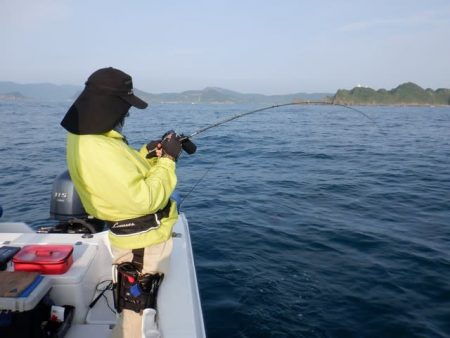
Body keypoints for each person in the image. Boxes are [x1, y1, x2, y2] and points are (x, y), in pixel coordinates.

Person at [60, 67, 182, 338]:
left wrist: (147, 154)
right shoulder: (99, 147)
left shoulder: (88, 136)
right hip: (141, 245)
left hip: (132, 240)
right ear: (110, 105)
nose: (125, 113)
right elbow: (145, 199)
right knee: (135, 317)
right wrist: (168, 161)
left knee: (136, 309)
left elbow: (119, 176)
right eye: (124, 106)